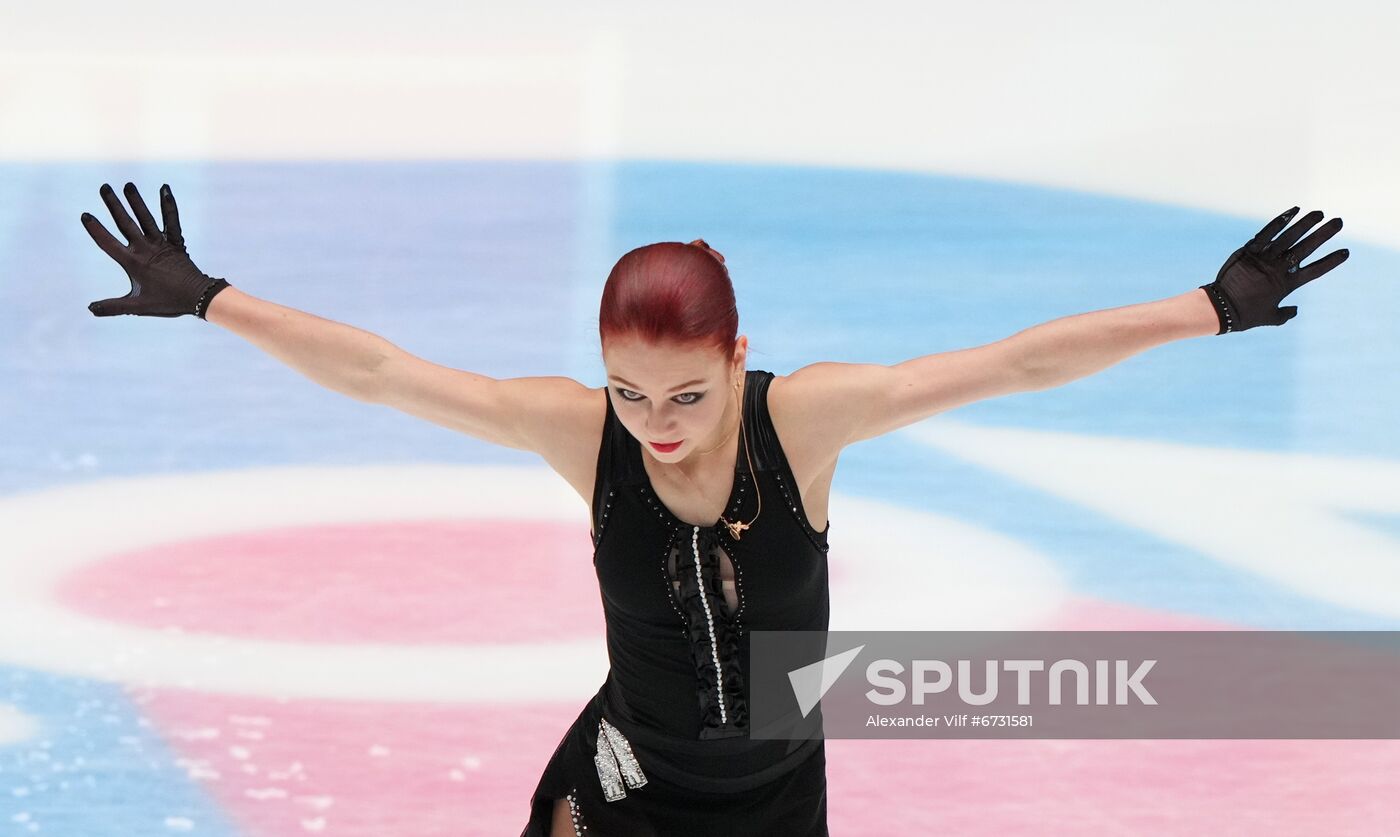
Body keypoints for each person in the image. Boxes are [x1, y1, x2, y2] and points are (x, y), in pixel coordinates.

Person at [81, 182, 1349, 836]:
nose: (655, 421)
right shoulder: (581, 435)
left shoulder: (806, 421)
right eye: (628, 390)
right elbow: (385, 374)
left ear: (740, 355)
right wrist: (210, 299)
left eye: (684, 390)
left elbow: (1011, 362)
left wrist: (1208, 306)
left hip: (777, 788)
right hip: (626, 769)